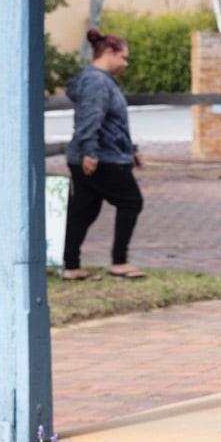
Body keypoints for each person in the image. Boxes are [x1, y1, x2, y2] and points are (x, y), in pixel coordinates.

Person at [61, 28, 146, 280]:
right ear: (109, 52)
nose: (126, 64)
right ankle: (119, 262)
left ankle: (71, 266)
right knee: (131, 201)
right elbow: (90, 118)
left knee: (84, 210)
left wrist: (132, 151)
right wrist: (89, 152)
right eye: (123, 57)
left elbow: (114, 123)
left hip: (100, 155)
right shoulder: (96, 82)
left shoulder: (99, 80)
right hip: (101, 158)